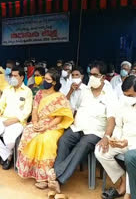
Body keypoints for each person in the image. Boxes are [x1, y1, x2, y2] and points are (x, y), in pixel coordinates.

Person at [49, 61, 117, 194]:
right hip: (78, 127)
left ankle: (56, 176)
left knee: (83, 145)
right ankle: (55, 180)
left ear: (103, 77)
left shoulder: (109, 94)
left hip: (95, 132)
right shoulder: (84, 90)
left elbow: (111, 119)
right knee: (64, 140)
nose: (91, 77)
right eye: (90, 74)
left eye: (95, 75)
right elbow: (74, 108)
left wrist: (106, 136)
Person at [17, 68, 74, 189]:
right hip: (40, 122)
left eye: (47, 79)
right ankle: (31, 171)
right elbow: (34, 110)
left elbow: (59, 118)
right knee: (28, 131)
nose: (44, 81)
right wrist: (36, 122)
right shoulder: (39, 94)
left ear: (54, 82)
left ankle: (44, 177)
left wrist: (46, 127)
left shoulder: (60, 97)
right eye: (44, 78)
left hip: (54, 126)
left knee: (45, 139)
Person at [0, 66, 33, 170]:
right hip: (3, 119)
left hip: (18, 121)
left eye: (15, 76)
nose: (12, 78)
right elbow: (1, 104)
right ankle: (8, 155)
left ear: (22, 77)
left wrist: (14, 120)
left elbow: (27, 111)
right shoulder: (7, 89)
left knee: (9, 139)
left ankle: (5, 156)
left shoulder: (27, 91)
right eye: (11, 76)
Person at [95, 75, 136, 199]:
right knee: (100, 151)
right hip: (122, 141)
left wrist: (127, 142)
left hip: (133, 144)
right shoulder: (123, 101)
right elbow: (117, 123)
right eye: (125, 95)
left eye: (130, 95)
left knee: (130, 157)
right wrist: (111, 139)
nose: (126, 98)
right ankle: (122, 179)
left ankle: (128, 192)